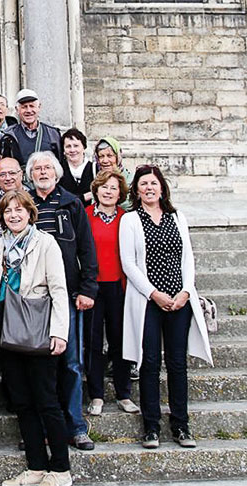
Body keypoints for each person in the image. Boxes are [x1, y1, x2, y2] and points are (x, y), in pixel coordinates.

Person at [120, 165, 212, 449]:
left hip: (179, 300)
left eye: (153, 183)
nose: (149, 188)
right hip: (148, 300)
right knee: (149, 363)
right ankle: (151, 427)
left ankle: (181, 426)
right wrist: (153, 293)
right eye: (143, 184)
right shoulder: (131, 220)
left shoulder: (177, 217)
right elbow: (129, 264)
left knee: (177, 363)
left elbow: (188, 258)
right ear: (136, 190)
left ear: (162, 188)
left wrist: (186, 291)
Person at [0, 190, 73, 486]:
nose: (14, 215)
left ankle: (61, 468)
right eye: (8, 211)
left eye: (19, 210)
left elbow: (59, 289)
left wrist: (59, 332)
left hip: (38, 328)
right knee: (22, 403)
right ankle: (36, 466)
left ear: (29, 213)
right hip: (8, 332)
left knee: (47, 401)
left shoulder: (45, 243)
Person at [28, 151, 98, 451]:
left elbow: (86, 248)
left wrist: (88, 288)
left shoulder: (71, 204)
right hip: (33, 299)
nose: (42, 172)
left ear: (56, 173)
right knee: (38, 366)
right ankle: (43, 427)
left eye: (47, 168)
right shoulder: (24, 205)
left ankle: (76, 426)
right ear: (30, 175)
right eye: (37, 168)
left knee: (70, 363)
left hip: (67, 295)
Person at [84, 170, 139, 417]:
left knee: (120, 341)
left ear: (121, 193)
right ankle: (96, 395)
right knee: (94, 344)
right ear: (96, 190)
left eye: (113, 188)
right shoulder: (85, 216)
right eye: (104, 187)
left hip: (120, 286)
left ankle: (123, 393)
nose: (108, 191)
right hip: (94, 287)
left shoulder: (127, 219)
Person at [5, 89, 63, 168]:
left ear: (39, 107)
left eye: (32, 106)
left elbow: (60, 163)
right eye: (24, 107)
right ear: (17, 110)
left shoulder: (53, 134)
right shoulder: (9, 135)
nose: (29, 110)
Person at [58, 128, 95, 206]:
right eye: (68, 146)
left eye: (76, 146)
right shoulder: (58, 170)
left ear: (83, 147)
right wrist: (83, 197)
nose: (72, 150)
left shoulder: (94, 169)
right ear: (63, 150)